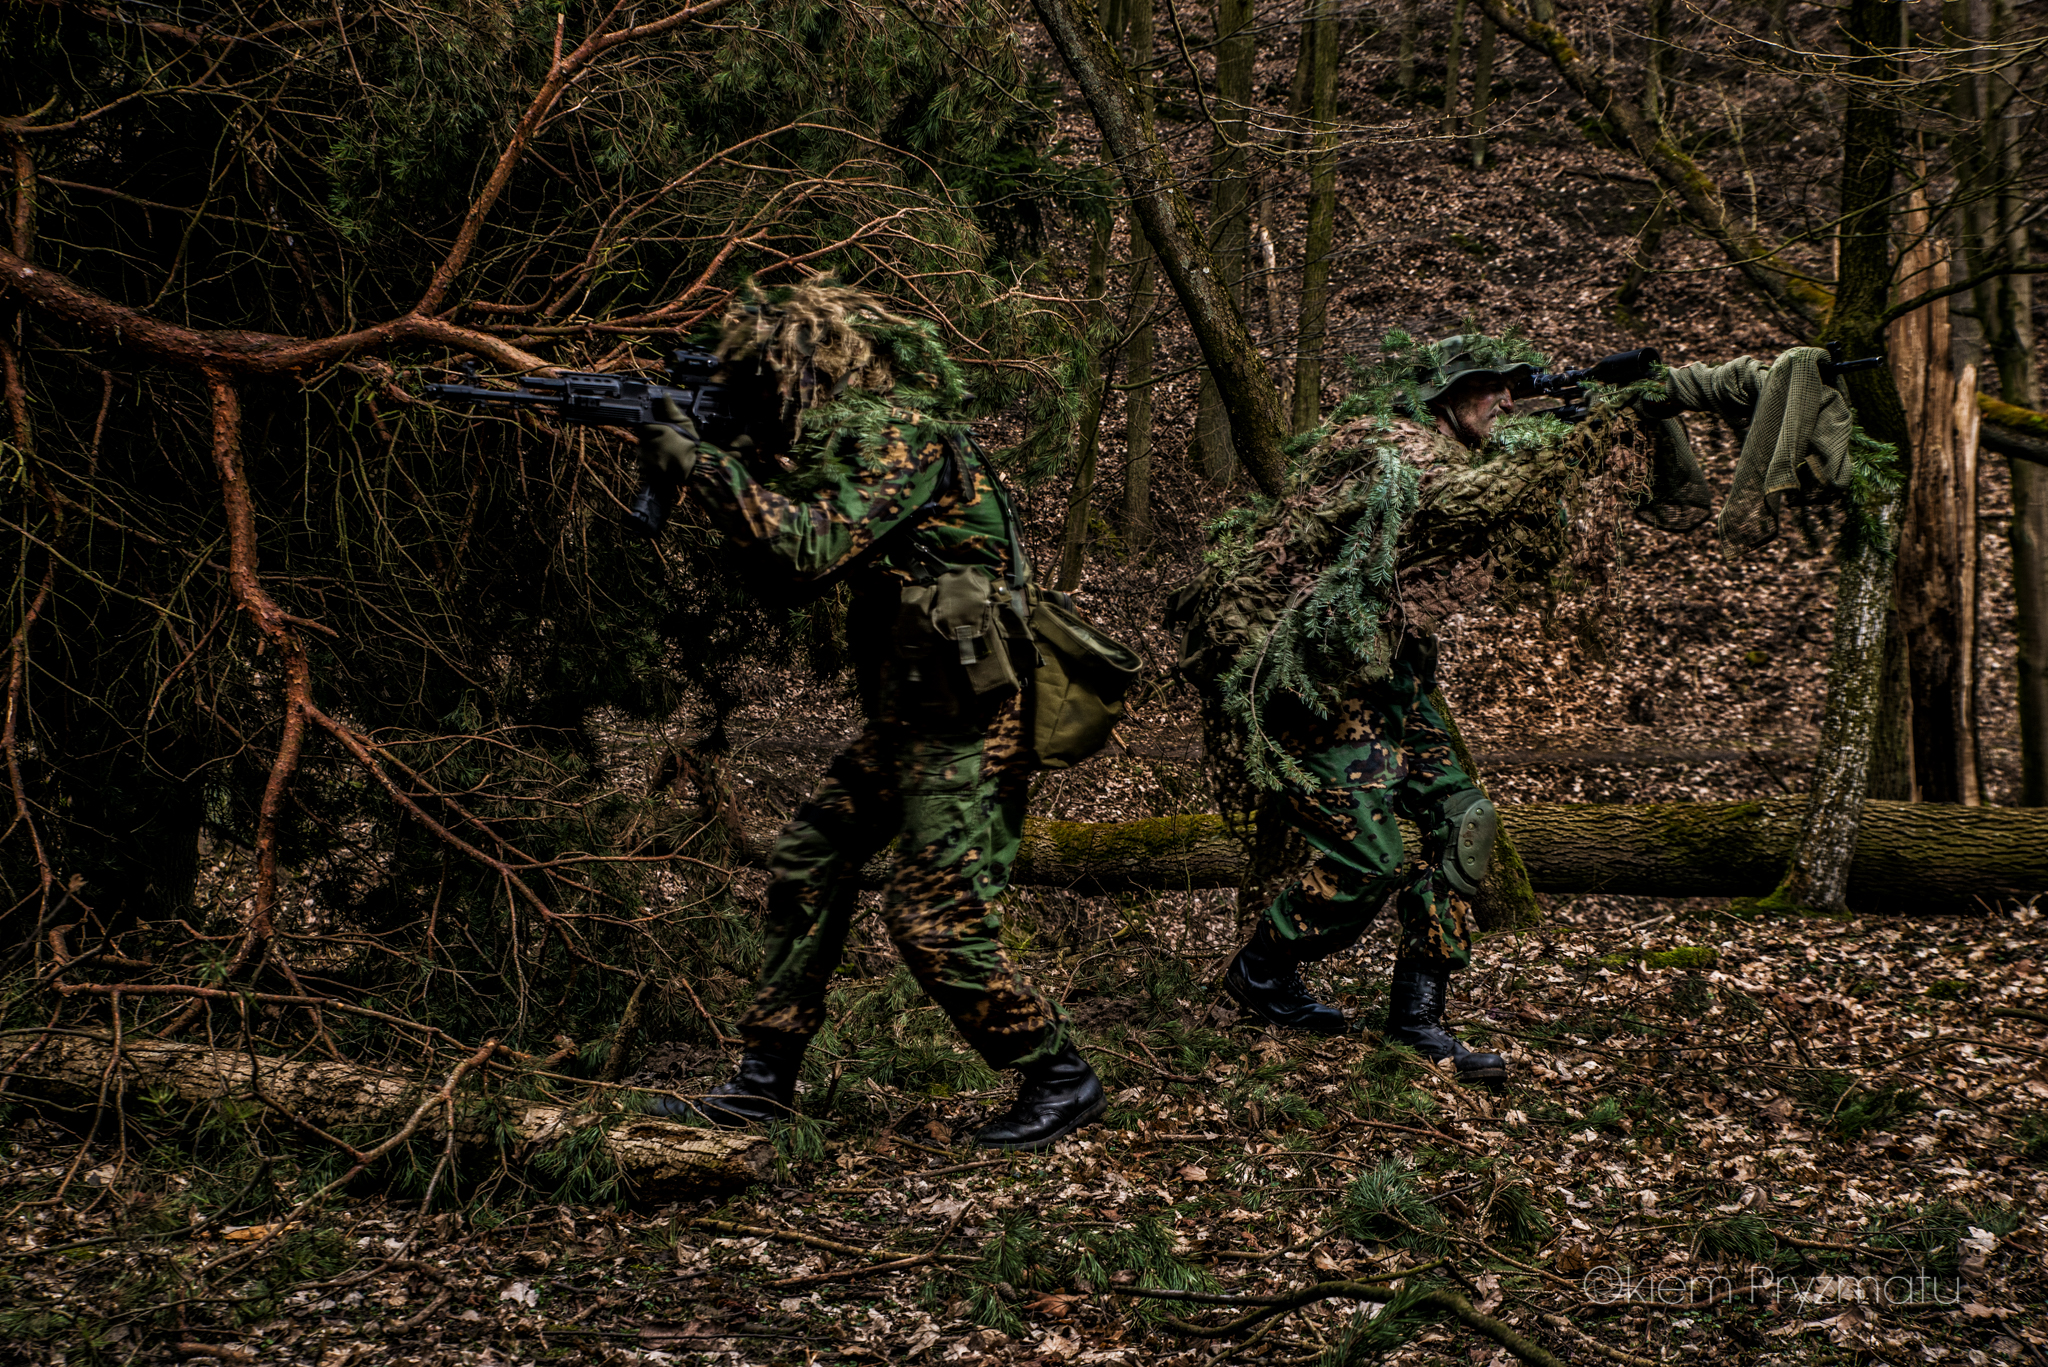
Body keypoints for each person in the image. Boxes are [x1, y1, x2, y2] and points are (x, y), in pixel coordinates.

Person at [632, 280, 1104, 1150]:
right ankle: (763, 1081)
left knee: (930, 916)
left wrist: (703, 462)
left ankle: (1059, 1074)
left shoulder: (899, 434)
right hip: (913, 711)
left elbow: (807, 546)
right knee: (809, 858)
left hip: (969, 720)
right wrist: (722, 455)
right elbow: (782, 555)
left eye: (764, 385)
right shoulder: (840, 446)